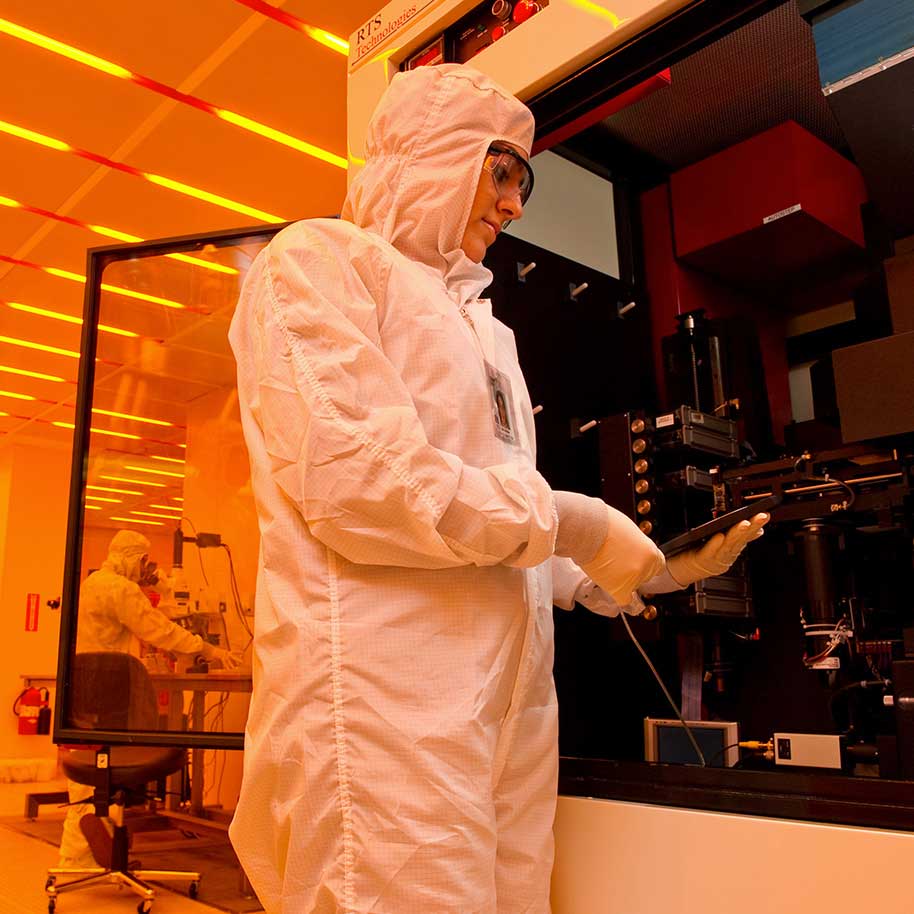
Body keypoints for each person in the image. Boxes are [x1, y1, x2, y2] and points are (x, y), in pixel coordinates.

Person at [228, 64, 768, 913]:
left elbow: (497, 515)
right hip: (387, 714)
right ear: (437, 154)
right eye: (505, 170)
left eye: (526, 179)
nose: (516, 205)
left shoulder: (489, 333)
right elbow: (367, 484)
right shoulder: (318, 266)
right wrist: (576, 521)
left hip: (507, 713)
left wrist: (622, 572)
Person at [58, 528, 241, 868]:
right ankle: (96, 848)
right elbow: (159, 629)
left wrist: (159, 582)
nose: (146, 569)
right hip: (109, 700)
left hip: (86, 699)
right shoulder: (121, 589)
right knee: (98, 782)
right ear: (130, 558)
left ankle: (81, 857)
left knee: (89, 785)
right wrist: (207, 648)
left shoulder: (93, 584)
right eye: (143, 561)